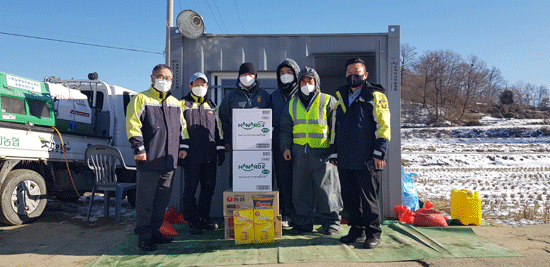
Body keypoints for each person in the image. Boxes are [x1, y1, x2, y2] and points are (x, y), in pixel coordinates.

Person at [126, 64, 189, 252]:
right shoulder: (141, 99)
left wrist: (183, 147)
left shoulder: (176, 103)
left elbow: (182, 127)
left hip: (169, 161)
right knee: (145, 201)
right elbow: (133, 125)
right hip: (149, 159)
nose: (165, 80)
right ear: (152, 78)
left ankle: (155, 232)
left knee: (161, 201)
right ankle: (144, 237)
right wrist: (139, 148)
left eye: (169, 78)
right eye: (161, 76)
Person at [330, 58, 391, 249]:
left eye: (356, 71)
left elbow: (383, 126)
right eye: (349, 72)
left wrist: (379, 153)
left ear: (365, 75)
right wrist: (334, 152)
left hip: (367, 158)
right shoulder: (340, 97)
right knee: (349, 198)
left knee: (369, 198)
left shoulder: (375, 96)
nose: (352, 75)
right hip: (345, 158)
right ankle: (357, 230)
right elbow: (334, 127)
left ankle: (373, 233)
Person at [280, 66, 342, 235]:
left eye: (310, 81)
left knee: (327, 189)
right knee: (300, 190)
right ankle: (302, 223)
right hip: (299, 153)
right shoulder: (292, 103)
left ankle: (331, 223)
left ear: (316, 83)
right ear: (298, 83)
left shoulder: (328, 101)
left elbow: (337, 128)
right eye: (303, 81)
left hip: (324, 153)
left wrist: (334, 150)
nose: (306, 84)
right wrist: (286, 147)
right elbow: (285, 128)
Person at [179, 72, 225, 235]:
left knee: (208, 188)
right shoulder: (182, 104)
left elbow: (218, 128)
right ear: (190, 86)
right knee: (190, 189)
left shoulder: (212, 106)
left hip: (209, 155)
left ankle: (204, 218)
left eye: (203, 84)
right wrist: (182, 148)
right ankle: (193, 220)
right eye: (196, 83)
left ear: (207, 86)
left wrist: (220, 149)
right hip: (191, 155)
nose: (200, 87)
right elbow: (180, 128)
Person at [218, 62, 272, 187]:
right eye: (244, 74)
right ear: (239, 76)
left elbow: (271, 120)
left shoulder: (264, 96)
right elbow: (223, 119)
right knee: (239, 175)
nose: (247, 76)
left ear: (255, 77)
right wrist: (227, 140)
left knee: (260, 175)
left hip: (260, 147)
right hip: (238, 146)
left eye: (250, 74)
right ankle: (238, 200)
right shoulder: (230, 96)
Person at [271, 58, 300, 227]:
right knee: (284, 179)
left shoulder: (302, 93)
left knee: (301, 180)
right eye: (282, 73)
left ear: (296, 74)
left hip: (300, 141)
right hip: (278, 143)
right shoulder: (274, 95)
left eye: (289, 73)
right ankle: (286, 213)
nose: (285, 76)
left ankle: (301, 215)